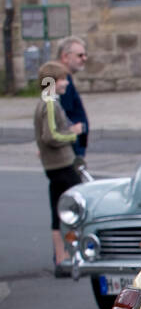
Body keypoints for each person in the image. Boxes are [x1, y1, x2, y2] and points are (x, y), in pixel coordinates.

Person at [33, 62, 85, 271]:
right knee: (72, 208)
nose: (66, 83)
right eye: (63, 79)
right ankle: (65, 256)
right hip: (61, 163)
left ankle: (62, 256)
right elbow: (50, 135)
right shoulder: (51, 103)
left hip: (54, 164)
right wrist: (74, 133)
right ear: (54, 81)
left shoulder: (45, 102)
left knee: (58, 208)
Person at [56, 36, 89, 171]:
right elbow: (56, 113)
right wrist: (70, 131)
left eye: (85, 55)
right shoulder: (61, 83)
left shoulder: (65, 79)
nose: (84, 59)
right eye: (80, 55)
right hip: (67, 153)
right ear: (65, 57)